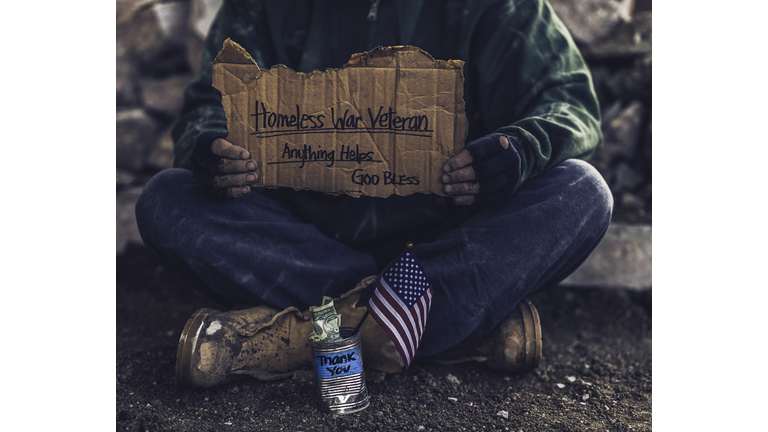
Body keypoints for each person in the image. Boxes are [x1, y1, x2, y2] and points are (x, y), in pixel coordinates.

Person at [136, 0, 613, 389]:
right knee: (168, 200)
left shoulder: (500, 6)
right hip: (300, 243)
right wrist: (211, 152)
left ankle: (306, 335)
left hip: (439, 244)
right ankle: (438, 329)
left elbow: (567, 103)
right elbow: (209, 104)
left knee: (583, 191)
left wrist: (520, 151)